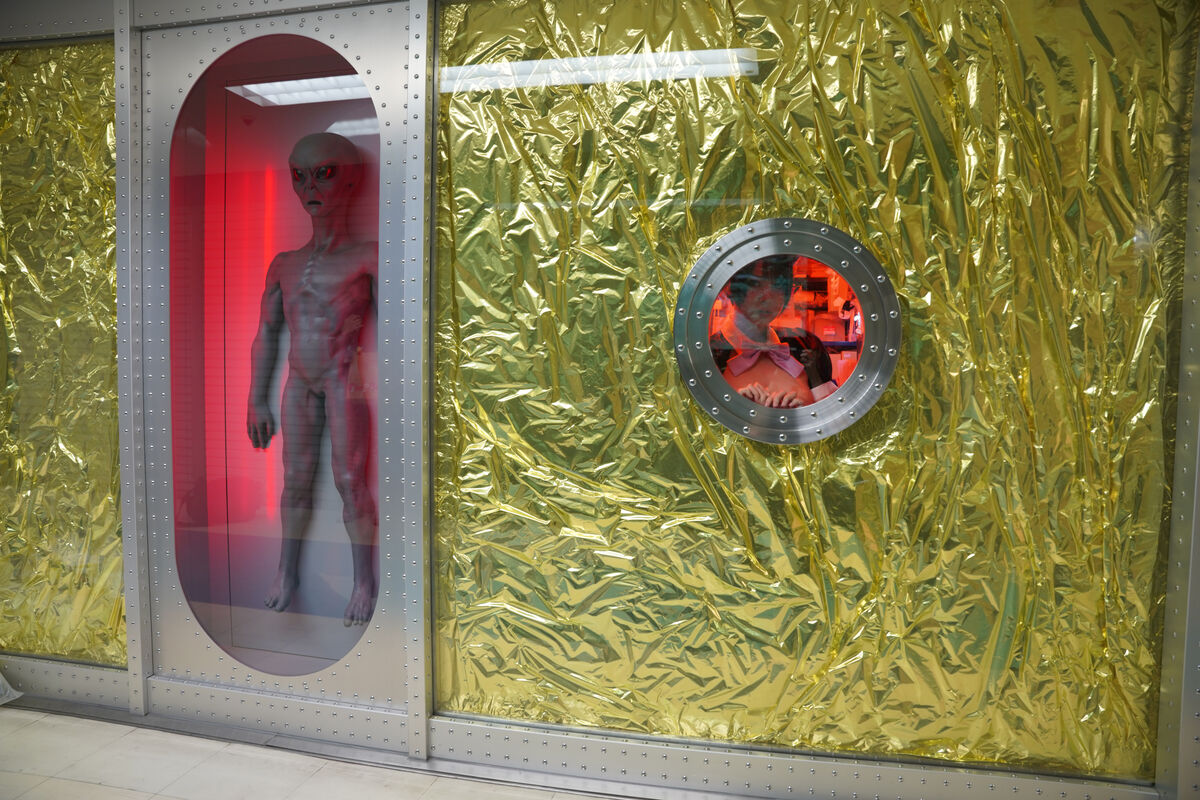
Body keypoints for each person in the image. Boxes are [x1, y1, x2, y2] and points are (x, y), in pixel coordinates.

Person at [246, 132, 377, 626]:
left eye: (324, 174)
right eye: (298, 176)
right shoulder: (284, 263)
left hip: (343, 378)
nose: (309, 188)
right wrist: (255, 398)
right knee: (294, 479)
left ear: (351, 181)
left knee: (349, 479)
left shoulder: (368, 257)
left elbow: (406, 329)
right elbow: (266, 332)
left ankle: (363, 581)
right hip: (298, 382)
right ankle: (286, 572)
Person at [710, 257, 837, 408]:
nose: (768, 297)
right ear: (730, 288)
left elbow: (830, 412)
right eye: (755, 284)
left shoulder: (805, 345)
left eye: (778, 286)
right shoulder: (710, 353)